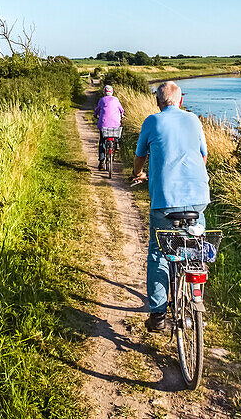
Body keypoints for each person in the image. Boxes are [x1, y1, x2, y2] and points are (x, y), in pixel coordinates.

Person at [130, 81, 209, 333]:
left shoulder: (152, 122)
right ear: (181, 101)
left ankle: (158, 316)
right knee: (195, 248)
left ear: (158, 102)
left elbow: (140, 156)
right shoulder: (194, 120)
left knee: (158, 253)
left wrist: (138, 173)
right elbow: (203, 156)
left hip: (164, 202)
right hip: (198, 200)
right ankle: (195, 297)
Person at [94, 84, 124, 169]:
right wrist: (122, 115)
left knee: (102, 142)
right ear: (112, 91)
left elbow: (97, 110)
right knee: (116, 129)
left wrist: (95, 115)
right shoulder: (116, 99)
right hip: (115, 125)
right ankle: (117, 142)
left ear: (104, 92)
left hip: (104, 125)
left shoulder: (102, 100)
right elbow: (121, 110)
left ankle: (101, 162)